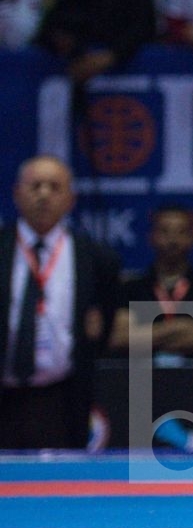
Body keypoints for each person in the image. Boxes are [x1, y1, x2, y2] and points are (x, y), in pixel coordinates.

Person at [1, 156, 120, 450]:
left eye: (54, 187)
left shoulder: (96, 258)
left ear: (70, 199)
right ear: (17, 194)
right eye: (35, 186)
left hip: (63, 399)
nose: (43, 195)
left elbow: (104, 324)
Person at [112, 205, 193, 357]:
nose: (173, 240)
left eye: (181, 232)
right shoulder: (131, 290)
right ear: (151, 237)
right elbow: (120, 339)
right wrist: (182, 327)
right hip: (140, 376)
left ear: (192, 238)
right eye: (164, 231)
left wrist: (146, 335)